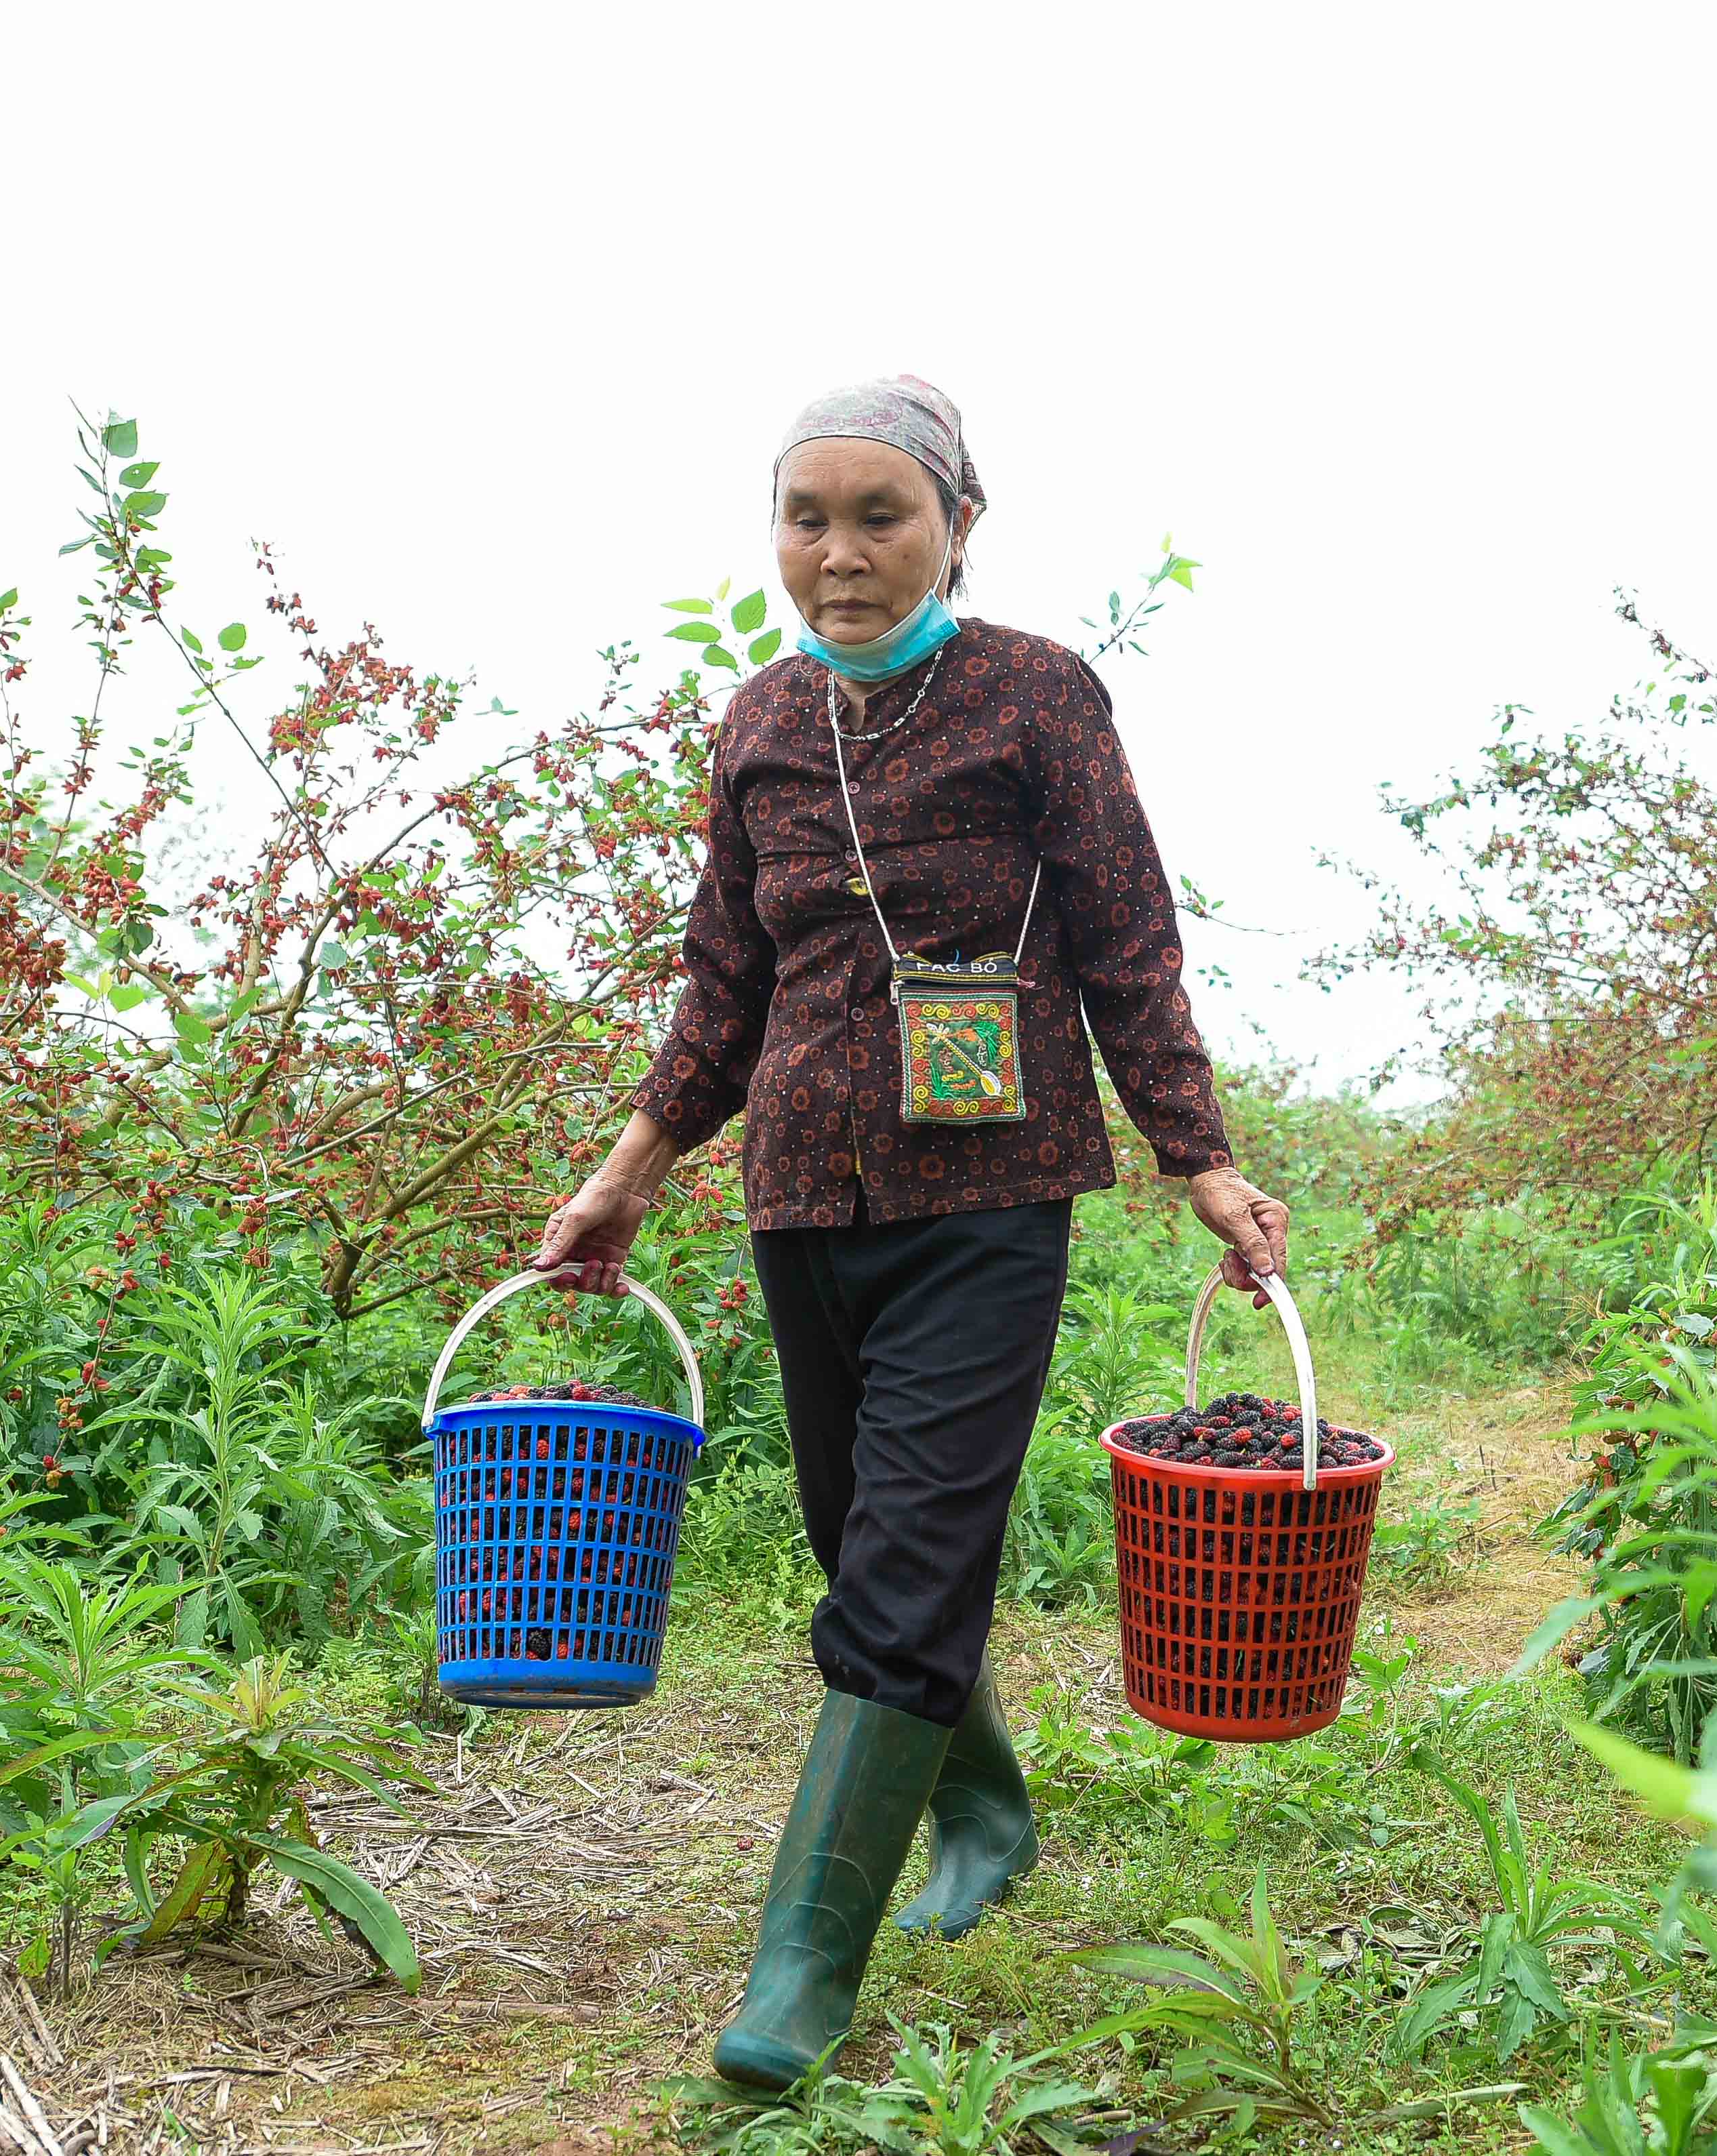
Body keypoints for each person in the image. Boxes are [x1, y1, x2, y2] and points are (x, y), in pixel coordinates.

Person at [526, 375, 1289, 2093]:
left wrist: (1199, 1156)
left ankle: (802, 1964)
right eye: (809, 519)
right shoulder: (761, 723)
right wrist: (630, 1168)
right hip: (800, 1190)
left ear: (958, 523)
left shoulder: (1036, 695)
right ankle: (986, 1809)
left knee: (907, 1559)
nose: (841, 553)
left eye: (882, 517)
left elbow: (1127, 939)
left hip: (991, 1195)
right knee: (853, 1529)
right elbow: (727, 977)